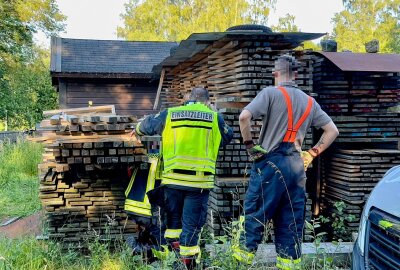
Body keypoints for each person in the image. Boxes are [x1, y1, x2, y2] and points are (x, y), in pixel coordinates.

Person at [237, 54, 339, 269]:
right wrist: (312, 153)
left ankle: (238, 263)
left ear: (275, 74)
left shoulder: (270, 93)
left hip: (270, 165)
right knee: (290, 223)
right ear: (296, 75)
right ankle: (288, 265)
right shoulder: (310, 101)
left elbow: (244, 117)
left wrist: (249, 145)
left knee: (255, 217)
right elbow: (332, 130)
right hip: (296, 167)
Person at [135, 87, 233, 269]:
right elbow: (228, 137)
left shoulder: (170, 114)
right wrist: (213, 112)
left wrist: (137, 129)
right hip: (198, 185)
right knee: (191, 226)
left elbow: (146, 126)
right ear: (206, 101)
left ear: (189, 99)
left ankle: (173, 259)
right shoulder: (214, 117)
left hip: (172, 182)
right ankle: (188, 264)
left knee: (173, 225)